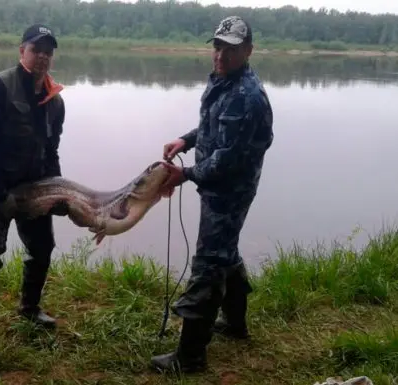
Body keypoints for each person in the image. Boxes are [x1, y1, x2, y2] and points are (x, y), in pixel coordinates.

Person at [152, 15, 274, 373]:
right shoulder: (225, 82)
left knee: (208, 264)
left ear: (248, 51)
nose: (221, 55)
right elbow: (213, 128)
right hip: (217, 186)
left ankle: (189, 358)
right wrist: (186, 140)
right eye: (218, 46)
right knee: (226, 252)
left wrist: (184, 174)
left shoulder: (248, 96)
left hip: (229, 192)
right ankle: (235, 324)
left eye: (231, 49)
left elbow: (228, 158)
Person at [0, 23, 66, 373]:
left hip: (33, 184)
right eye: (36, 49)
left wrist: (58, 190)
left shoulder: (55, 101)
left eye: (48, 51)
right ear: (22, 51)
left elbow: (51, 152)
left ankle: (29, 308)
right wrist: (0, 194)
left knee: (42, 248)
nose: (42, 57)